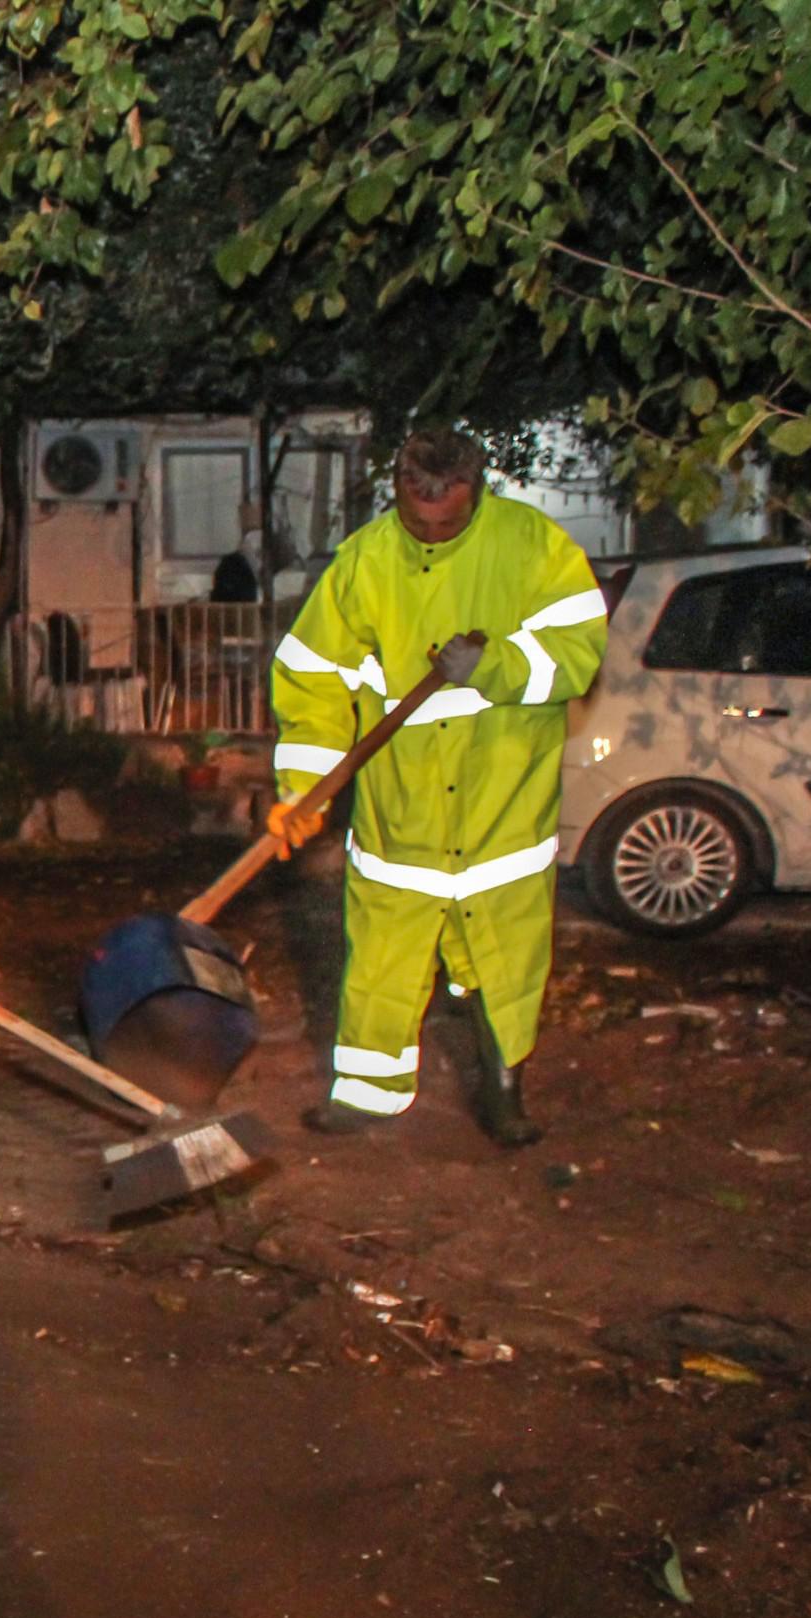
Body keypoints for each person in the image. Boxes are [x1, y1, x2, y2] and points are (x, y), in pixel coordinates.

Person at [266, 428, 607, 1145]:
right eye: (417, 520)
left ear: (476, 490)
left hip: (501, 811)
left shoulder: (533, 547)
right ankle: (365, 1093)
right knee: (384, 962)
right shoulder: (365, 563)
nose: (430, 532)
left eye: (447, 520)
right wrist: (306, 786)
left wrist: (496, 664)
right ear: (398, 489)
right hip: (402, 816)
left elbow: (578, 652)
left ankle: (505, 1094)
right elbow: (313, 680)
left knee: (504, 965)